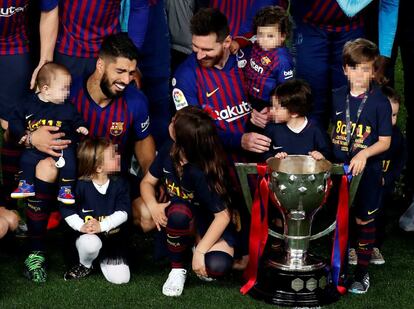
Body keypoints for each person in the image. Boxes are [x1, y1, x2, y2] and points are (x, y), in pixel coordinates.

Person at [20, 33, 155, 283]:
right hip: (71, 181)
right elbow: (17, 127)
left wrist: (152, 186)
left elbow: (145, 149)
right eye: (121, 71)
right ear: (100, 64)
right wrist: (31, 137)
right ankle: (35, 251)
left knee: (147, 214)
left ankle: (109, 243)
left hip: (113, 182)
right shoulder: (68, 92)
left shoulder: (136, 101)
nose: (127, 79)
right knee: (46, 166)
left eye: (132, 72)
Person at [172, 8, 271, 270]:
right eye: (195, 47)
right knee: (217, 265)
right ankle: (208, 237)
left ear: (227, 42)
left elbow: (272, 92)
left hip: (256, 163)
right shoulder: (185, 76)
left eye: (207, 49)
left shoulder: (247, 63)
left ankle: (266, 236)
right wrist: (239, 139)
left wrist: (267, 111)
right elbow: (193, 134)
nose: (199, 55)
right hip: (215, 171)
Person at [140, 106, 235, 296]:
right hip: (178, 217)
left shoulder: (202, 169)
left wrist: (200, 251)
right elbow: (147, 182)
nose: (171, 121)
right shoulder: (169, 148)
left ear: (183, 140)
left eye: (175, 122)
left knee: (216, 267)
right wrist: (153, 205)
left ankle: (193, 248)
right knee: (179, 211)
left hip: (207, 221)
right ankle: (177, 268)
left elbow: (223, 216)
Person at [330, 38, 392, 294]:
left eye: (366, 69)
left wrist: (364, 154)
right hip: (339, 172)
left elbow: (386, 142)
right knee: (341, 219)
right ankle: (339, 269)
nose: (359, 74)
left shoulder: (379, 102)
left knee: (363, 221)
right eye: (354, 68)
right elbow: (330, 130)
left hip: (367, 173)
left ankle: (361, 274)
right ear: (345, 69)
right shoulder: (336, 96)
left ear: (374, 71)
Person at [290, 0, 399, 127]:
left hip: (351, 28)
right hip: (309, 26)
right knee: (309, 96)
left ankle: (348, 144)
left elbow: (389, 4)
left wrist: (384, 54)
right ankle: (311, 141)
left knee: (352, 99)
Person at [8, 63, 88, 204]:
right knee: (26, 159)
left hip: (61, 147)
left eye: (68, 88)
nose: (68, 93)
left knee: (70, 163)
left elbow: (77, 118)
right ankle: (26, 184)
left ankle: (66, 189)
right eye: (64, 89)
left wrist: (80, 126)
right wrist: (21, 133)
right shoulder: (28, 103)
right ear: (46, 89)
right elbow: (15, 120)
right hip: (36, 147)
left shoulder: (67, 107)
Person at [61, 138, 131, 284]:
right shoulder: (79, 185)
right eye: (113, 155)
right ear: (99, 168)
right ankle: (85, 264)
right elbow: (67, 209)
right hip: (87, 237)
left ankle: (103, 258)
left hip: (112, 240)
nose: (118, 156)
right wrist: (81, 225)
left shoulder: (120, 183)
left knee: (122, 279)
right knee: (90, 243)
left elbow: (123, 212)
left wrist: (102, 226)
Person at [242, 5, 294, 133]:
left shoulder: (282, 60)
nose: (264, 40)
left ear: (282, 37)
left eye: (270, 36)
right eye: (260, 34)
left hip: (266, 103)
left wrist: (272, 109)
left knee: (265, 133)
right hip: (249, 97)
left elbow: (286, 89)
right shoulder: (256, 45)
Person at [372, 86, 406, 264]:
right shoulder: (367, 132)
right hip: (365, 183)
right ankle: (353, 246)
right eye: (388, 115)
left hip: (384, 185)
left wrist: (389, 178)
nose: (391, 120)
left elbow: (400, 161)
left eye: (395, 115)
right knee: (358, 213)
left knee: (380, 215)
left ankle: (375, 247)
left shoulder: (397, 137)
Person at [262, 79, 331, 161]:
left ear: (294, 113)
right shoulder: (271, 128)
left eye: (276, 108)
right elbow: (263, 152)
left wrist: (321, 156)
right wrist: (272, 159)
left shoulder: (316, 129)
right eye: (271, 106)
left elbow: (328, 152)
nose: (271, 111)